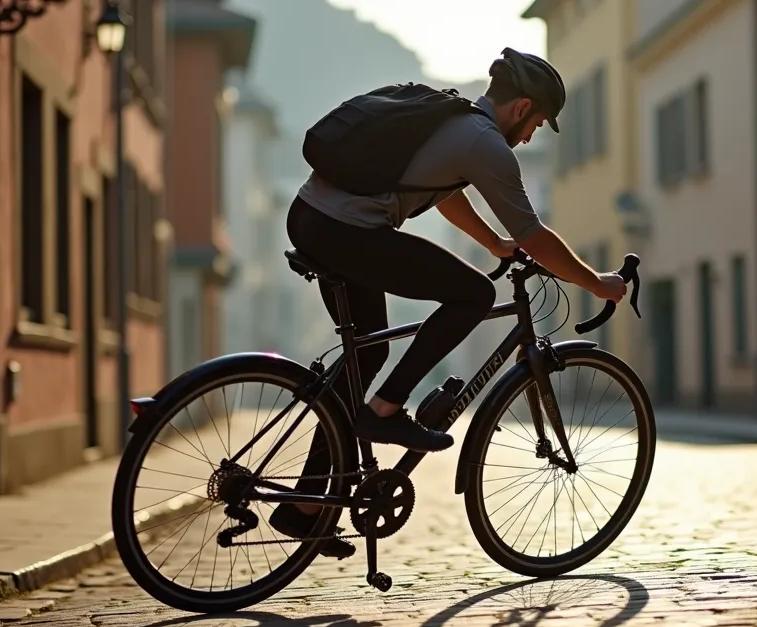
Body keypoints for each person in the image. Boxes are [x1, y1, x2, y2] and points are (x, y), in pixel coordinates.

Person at [269, 48, 628, 558]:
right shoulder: (485, 143)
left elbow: (442, 192)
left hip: (313, 217)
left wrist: (491, 244)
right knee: (476, 294)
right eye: (536, 125)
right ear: (522, 107)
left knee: (366, 356)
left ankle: (304, 508)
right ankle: (386, 411)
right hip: (345, 230)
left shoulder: (451, 119)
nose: (529, 138)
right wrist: (596, 283)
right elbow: (534, 233)